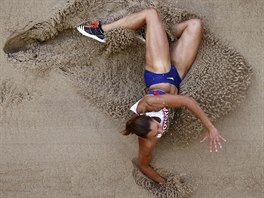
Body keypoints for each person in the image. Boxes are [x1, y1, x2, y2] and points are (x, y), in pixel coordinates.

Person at [77, 8, 226, 185]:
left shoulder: (152, 103)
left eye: (157, 128)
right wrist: (164, 184)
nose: (162, 131)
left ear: (147, 115)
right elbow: (144, 165)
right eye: (157, 134)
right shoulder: (146, 142)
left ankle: (102, 31)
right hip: (177, 75)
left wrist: (210, 128)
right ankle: (155, 34)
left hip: (159, 72)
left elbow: (187, 101)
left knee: (151, 14)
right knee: (195, 25)